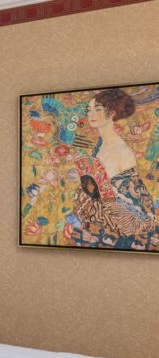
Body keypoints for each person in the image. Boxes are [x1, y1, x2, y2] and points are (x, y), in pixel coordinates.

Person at [68, 88, 158, 250]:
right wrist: (82, 180)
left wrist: (97, 189)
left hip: (118, 233)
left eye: (98, 109)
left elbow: (137, 207)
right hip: (96, 224)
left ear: (112, 113)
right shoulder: (99, 145)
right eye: (89, 110)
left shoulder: (122, 151)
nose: (91, 114)